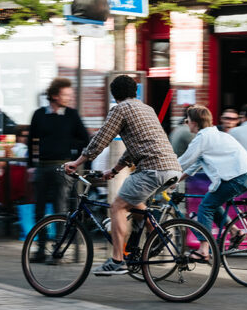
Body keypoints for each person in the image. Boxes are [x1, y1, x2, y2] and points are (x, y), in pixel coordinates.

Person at [62, 74, 182, 276]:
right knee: (134, 200)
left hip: (152, 169)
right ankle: (157, 236)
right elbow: (136, 147)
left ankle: (117, 260)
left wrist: (77, 162)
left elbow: (101, 139)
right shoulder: (147, 109)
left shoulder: (120, 109)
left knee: (117, 206)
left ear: (114, 95)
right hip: (172, 168)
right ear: (134, 91)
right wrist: (115, 170)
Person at [177, 105, 247, 261]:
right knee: (212, 202)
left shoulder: (202, 138)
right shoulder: (218, 135)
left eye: (187, 120)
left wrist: (163, 174)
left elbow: (183, 161)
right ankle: (235, 231)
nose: (186, 123)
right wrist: (176, 180)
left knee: (205, 207)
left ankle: (203, 250)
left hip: (237, 177)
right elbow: (193, 165)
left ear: (194, 122)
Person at [28, 77, 89, 223]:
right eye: (66, 95)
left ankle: (60, 238)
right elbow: (31, 141)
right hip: (42, 166)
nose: (69, 98)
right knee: (39, 208)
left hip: (63, 167)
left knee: (61, 208)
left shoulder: (72, 114)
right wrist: (30, 165)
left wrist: (74, 156)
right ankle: (39, 238)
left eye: (70, 95)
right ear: (55, 96)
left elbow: (85, 139)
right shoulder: (39, 114)